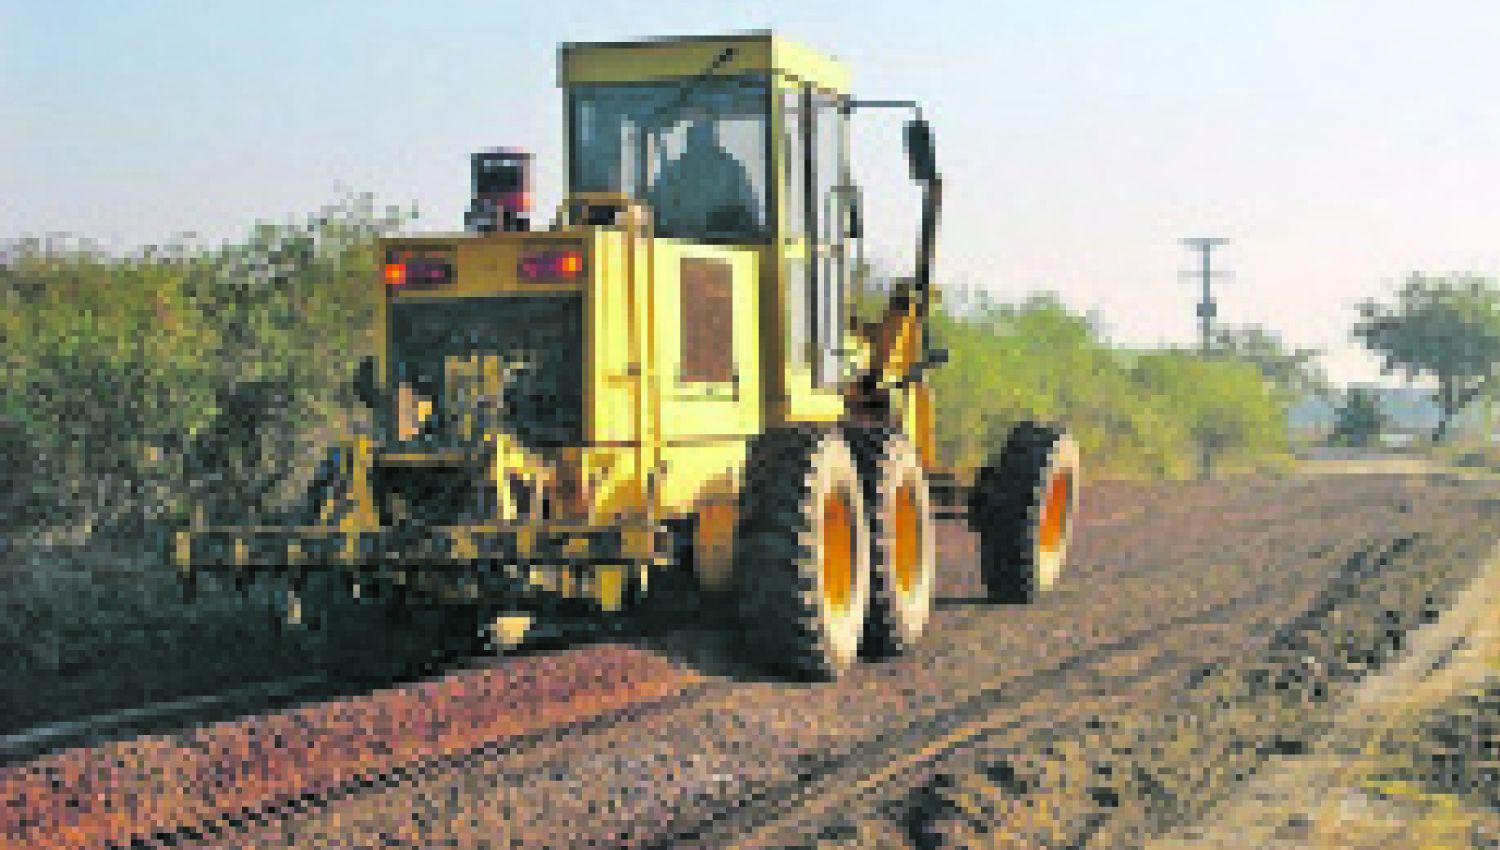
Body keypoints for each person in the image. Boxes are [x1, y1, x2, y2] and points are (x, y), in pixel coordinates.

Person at [647, 114, 758, 237]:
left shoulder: (674, 169)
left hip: (704, 238)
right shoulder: (732, 168)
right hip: (688, 238)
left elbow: (748, 211)